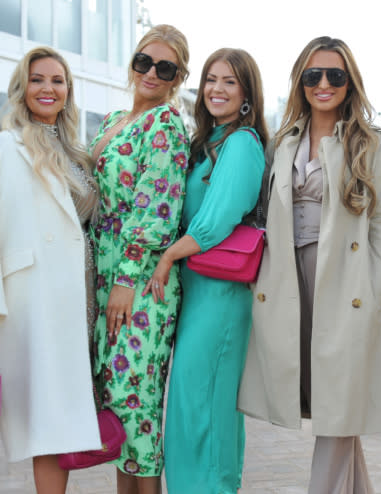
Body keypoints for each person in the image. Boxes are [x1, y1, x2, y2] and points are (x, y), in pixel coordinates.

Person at [239, 36, 381, 494]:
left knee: (339, 403)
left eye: (335, 74)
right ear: (301, 81)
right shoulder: (282, 142)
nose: (324, 83)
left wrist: (375, 284)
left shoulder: (373, 143)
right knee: (333, 402)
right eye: (314, 75)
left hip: (347, 285)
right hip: (288, 283)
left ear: (350, 82)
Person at [0, 46, 101, 493]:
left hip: (80, 294)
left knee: (63, 423)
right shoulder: (7, 145)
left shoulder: (76, 151)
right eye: (37, 79)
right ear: (22, 88)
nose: (48, 88)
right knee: (48, 425)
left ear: (68, 90)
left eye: (57, 80)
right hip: (36, 299)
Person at [144, 48, 266, 494]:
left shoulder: (242, 143)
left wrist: (168, 256)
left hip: (221, 296)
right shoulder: (207, 142)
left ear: (247, 93)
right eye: (212, 79)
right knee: (191, 407)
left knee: (204, 408)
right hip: (198, 293)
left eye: (230, 81)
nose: (217, 89)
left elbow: (217, 221)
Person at [88, 24, 190, 494]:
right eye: (144, 62)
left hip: (141, 285)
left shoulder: (166, 125)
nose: (151, 73)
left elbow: (156, 212)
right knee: (118, 408)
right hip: (107, 280)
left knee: (138, 405)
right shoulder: (115, 119)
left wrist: (125, 281)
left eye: (164, 68)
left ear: (178, 77)